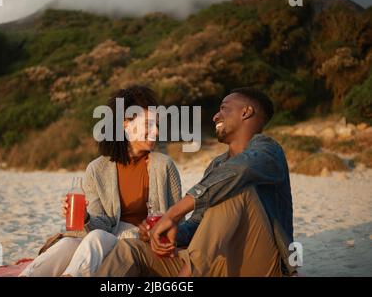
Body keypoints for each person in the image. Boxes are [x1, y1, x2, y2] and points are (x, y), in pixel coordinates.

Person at [93, 87, 296, 277]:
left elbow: (241, 170)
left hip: (257, 266)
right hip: (212, 264)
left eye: (224, 109)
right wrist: (166, 232)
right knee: (129, 248)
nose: (216, 115)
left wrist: (173, 213)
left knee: (233, 189)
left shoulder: (269, 151)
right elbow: (197, 223)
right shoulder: (218, 164)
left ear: (246, 112)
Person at [19, 85, 182, 277]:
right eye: (148, 124)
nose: (155, 131)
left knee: (96, 238)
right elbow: (100, 223)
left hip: (139, 247)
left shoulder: (164, 166)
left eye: (156, 124)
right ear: (125, 124)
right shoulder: (97, 169)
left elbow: (178, 220)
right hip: (103, 240)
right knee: (68, 243)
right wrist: (85, 218)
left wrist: (156, 231)